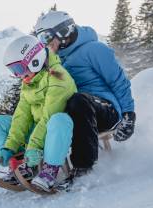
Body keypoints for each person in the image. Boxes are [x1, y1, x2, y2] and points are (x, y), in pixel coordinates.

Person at [33, 10, 136, 174]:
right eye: (41, 39)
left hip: (105, 110)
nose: (45, 43)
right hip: (78, 113)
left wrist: (128, 114)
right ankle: (32, 164)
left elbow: (118, 81)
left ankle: (83, 165)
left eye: (46, 37)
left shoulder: (94, 50)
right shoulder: (55, 60)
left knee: (77, 100)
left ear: (63, 31)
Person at [0, 35, 77, 191]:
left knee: (58, 119)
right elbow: (21, 117)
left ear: (35, 59)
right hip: (38, 131)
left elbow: (49, 117)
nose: (18, 75)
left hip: (56, 133)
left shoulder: (58, 76)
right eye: (14, 71)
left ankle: (50, 170)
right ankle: (23, 164)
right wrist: (9, 147)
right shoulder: (29, 81)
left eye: (19, 69)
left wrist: (33, 146)